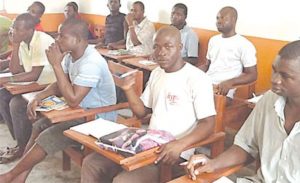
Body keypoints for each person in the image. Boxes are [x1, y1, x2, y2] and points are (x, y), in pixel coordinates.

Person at [80, 26, 216, 183]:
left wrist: (180, 144)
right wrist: (128, 89)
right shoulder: (157, 73)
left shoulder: (197, 79)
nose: (161, 52)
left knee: (123, 181)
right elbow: (142, 112)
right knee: (91, 163)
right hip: (146, 145)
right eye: (156, 47)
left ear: (180, 47)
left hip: (174, 154)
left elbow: (208, 123)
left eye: (168, 46)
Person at [0, 18, 117, 183]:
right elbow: (60, 84)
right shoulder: (72, 55)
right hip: (81, 111)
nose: (57, 39)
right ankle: (21, 176)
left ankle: (10, 176)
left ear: (77, 40)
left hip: (98, 118)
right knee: (38, 126)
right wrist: (38, 97)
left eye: (62, 36)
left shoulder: (91, 62)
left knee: (48, 136)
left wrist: (56, 65)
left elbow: (73, 100)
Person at [184, 40, 300, 182]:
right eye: (274, 70)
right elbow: (246, 146)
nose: (274, 80)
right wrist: (212, 163)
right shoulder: (269, 100)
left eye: (285, 76)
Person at [0, 13, 55, 163]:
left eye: (17, 28)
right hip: (35, 85)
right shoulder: (23, 42)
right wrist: (16, 45)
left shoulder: (41, 41)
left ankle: (23, 147)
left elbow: (34, 74)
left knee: (16, 104)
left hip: (49, 86)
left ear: (30, 30)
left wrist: (5, 79)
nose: (13, 31)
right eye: (13, 27)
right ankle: (20, 142)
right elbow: (16, 70)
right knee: (2, 96)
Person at [200, 6, 257, 99]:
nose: (218, 21)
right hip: (206, 85)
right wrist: (191, 72)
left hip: (223, 90)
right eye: (217, 18)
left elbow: (252, 75)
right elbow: (207, 66)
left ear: (234, 20)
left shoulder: (244, 44)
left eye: (223, 18)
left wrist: (230, 83)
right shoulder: (213, 40)